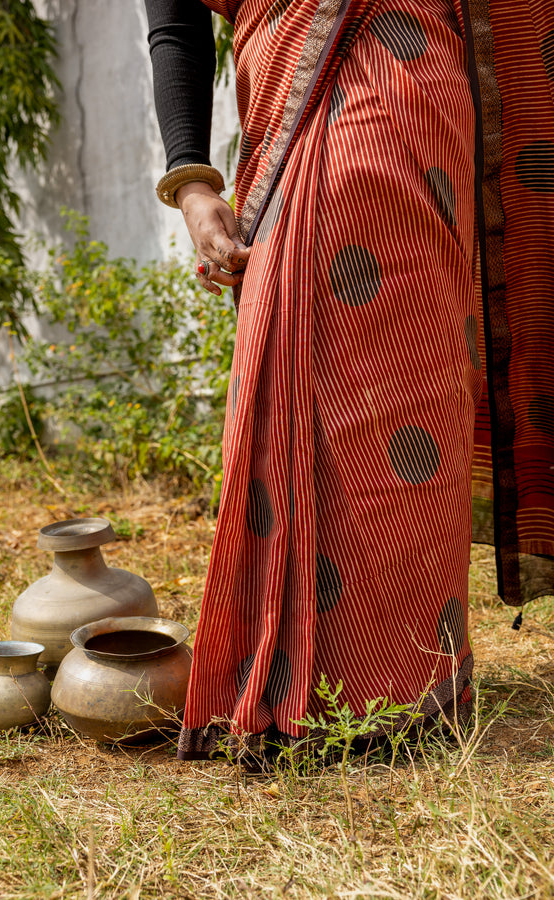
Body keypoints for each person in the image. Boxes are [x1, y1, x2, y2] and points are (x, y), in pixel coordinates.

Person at [144, 0, 554, 762]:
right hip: (289, 122)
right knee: (299, 384)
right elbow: (173, 18)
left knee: (417, 393)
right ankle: (308, 682)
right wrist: (192, 183)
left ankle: (409, 685)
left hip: (423, 105)